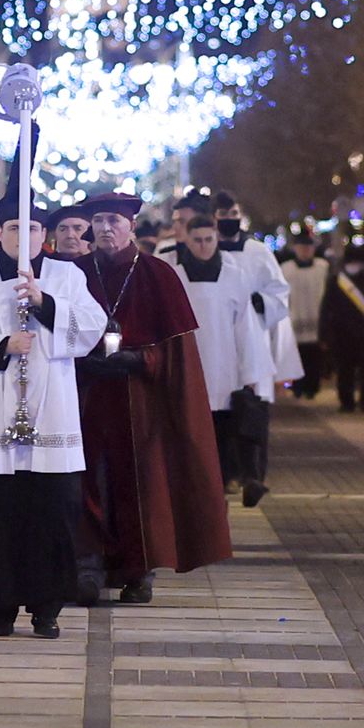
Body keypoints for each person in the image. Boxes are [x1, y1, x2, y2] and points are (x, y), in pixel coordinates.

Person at [0, 196, 106, 637]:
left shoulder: (66, 276)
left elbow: (92, 326)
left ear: (43, 236)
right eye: (14, 227)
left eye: (31, 229)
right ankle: (2, 608)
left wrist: (46, 303)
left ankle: (47, 608)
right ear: (0, 232)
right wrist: (0, 345)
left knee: (52, 514)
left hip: (51, 413)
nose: (23, 236)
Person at [74, 191, 232, 606]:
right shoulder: (73, 272)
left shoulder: (158, 275)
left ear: (130, 226)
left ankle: (136, 570)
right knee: (86, 478)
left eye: (114, 220)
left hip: (138, 400)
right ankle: (88, 564)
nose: (106, 228)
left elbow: (176, 352)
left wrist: (140, 359)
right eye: (99, 221)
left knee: (138, 483)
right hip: (84, 396)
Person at [171, 215, 273, 505]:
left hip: (225, 366)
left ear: (216, 240)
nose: (203, 247)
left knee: (226, 431)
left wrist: (251, 372)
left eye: (209, 240)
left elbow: (246, 327)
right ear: (187, 241)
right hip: (189, 365)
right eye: (197, 241)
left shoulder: (234, 276)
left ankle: (229, 482)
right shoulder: (175, 277)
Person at [209, 191, 296, 502]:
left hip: (250, 338)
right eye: (223, 213)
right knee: (219, 412)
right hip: (216, 342)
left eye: (233, 212)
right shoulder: (207, 250)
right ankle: (225, 473)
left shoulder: (258, 252)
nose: (229, 219)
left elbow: (279, 291)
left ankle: (252, 474)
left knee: (251, 411)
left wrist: (260, 303)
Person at [319, 228, 364, 413]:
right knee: (354, 370)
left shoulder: (338, 280)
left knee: (351, 369)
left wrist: (325, 334)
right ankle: (360, 401)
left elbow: (326, 309)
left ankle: (350, 402)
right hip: (354, 333)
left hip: (351, 333)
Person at [281, 223, 330, 399]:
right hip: (295, 319)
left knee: (314, 358)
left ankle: (312, 387)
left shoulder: (322, 268)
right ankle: (298, 387)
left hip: (317, 320)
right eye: (301, 247)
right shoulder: (286, 269)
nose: (305, 251)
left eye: (308, 247)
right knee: (297, 357)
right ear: (295, 248)